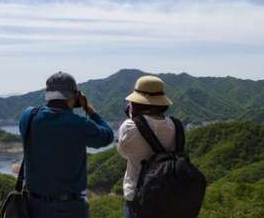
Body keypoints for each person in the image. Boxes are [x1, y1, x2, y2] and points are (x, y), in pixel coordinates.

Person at [19, 71, 114, 218]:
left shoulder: (28, 116)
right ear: (74, 96)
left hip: (33, 206)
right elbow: (107, 136)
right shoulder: (78, 124)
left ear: (48, 94)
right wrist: (90, 110)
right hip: (69, 208)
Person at [117, 75, 175, 218]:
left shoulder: (130, 126)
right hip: (168, 197)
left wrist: (132, 118)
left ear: (136, 103)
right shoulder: (176, 126)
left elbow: (123, 152)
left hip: (138, 198)